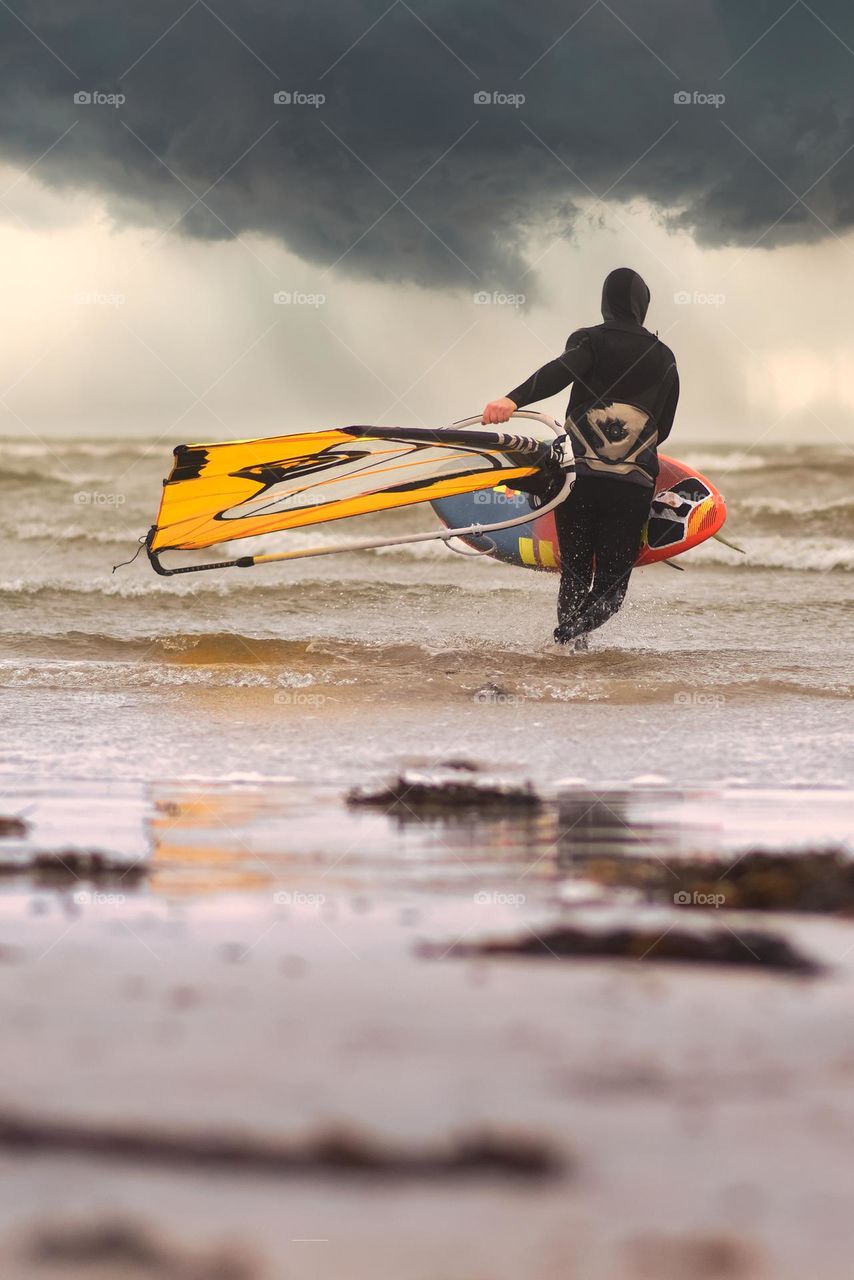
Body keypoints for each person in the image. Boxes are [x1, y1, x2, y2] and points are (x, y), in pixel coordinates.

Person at [481, 267, 679, 648]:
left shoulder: (591, 339)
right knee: (611, 589)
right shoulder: (665, 357)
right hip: (631, 483)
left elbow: (561, 371)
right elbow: (663, 427)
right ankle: (572, 639)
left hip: (579, 478)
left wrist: (512, 400)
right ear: (643, 305)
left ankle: (567, 649)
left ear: (607, 302)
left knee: (573, 574)